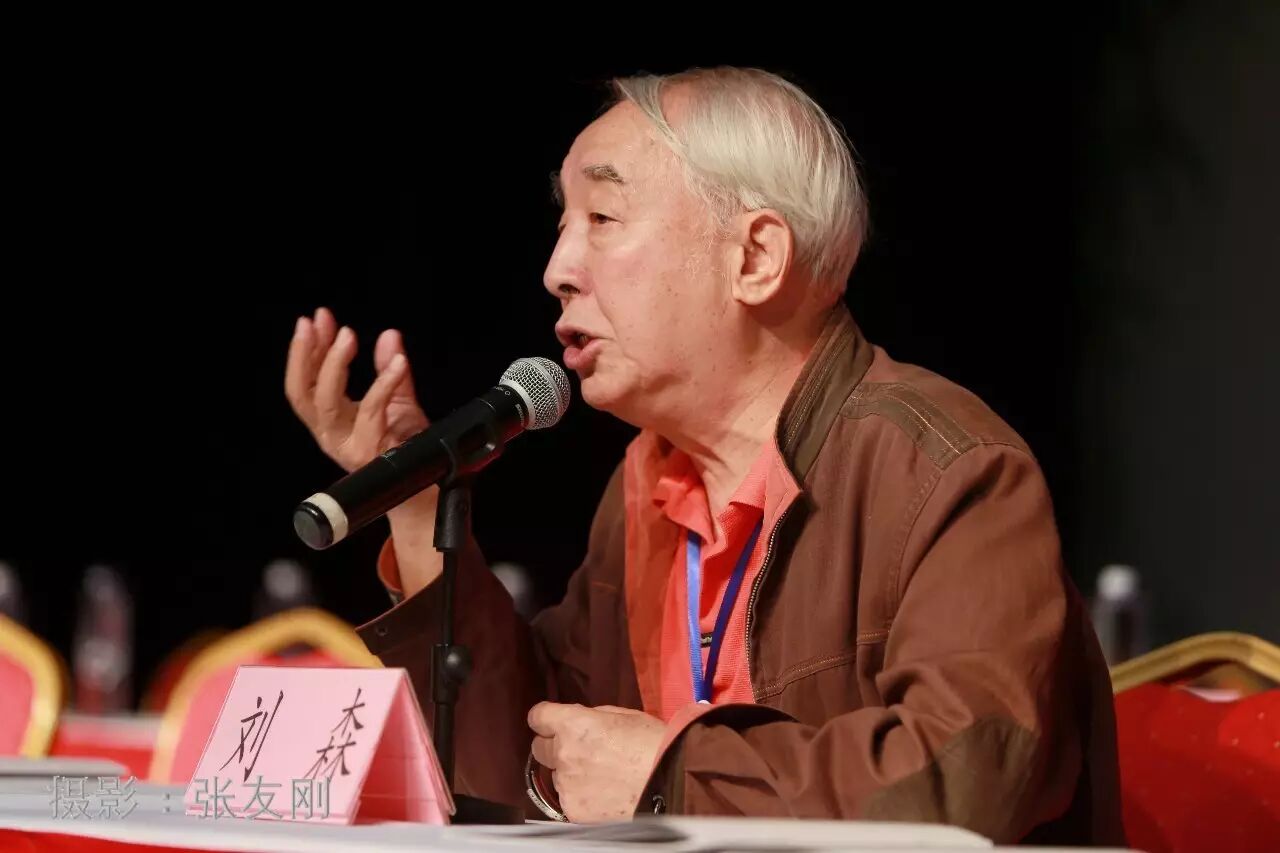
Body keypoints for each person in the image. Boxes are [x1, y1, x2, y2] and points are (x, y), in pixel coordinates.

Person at [284, 67, 1124, 844]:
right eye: (564, 224)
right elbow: (537, 766)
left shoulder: (946, 468)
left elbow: (965, 782)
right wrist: (418, 507)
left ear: (755, 258)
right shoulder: (649, 484)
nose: (556, 269)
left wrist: (673, 776)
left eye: (602, 219)